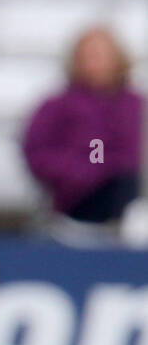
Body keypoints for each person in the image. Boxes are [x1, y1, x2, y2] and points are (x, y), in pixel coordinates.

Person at [23, 26, 143, 225]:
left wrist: (107, 168)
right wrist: (80, 173)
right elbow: (37, 154)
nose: (94, 63)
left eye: (101, 55)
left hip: (127, 195)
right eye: (88, 55)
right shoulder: (56, 106)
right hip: (75, 200)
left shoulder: (136, 106)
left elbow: (134, 154)